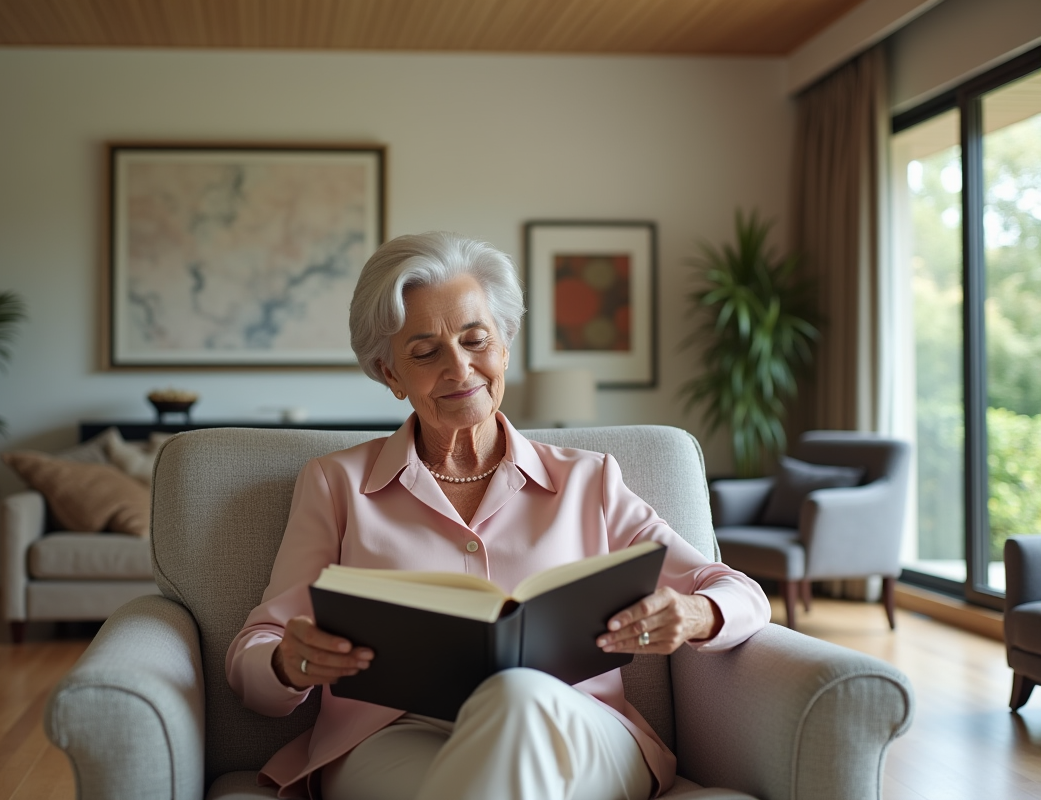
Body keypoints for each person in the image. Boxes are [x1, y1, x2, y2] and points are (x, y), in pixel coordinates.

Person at [226, 231, 770, 800]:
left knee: (516, 696)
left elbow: (735, 589)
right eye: (425, 352)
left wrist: (694, 612)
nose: (460, 369)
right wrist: (288, 663)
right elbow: (255, 652)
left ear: (505, 345)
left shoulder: (590, 481)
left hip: (572, 725)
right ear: (391, 374)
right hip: (393, 738)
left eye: (475, 339)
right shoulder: (335, 485)